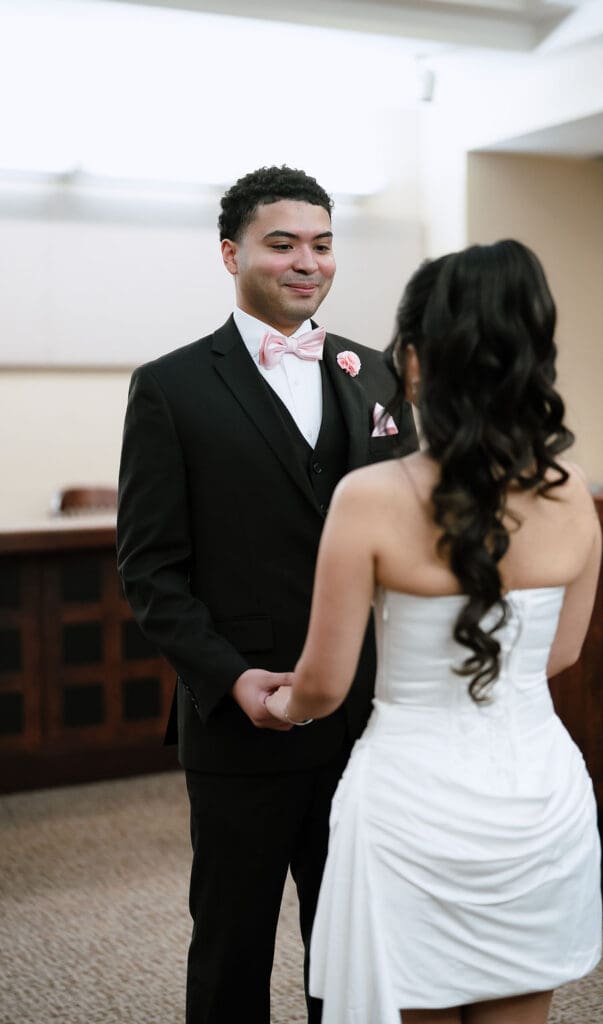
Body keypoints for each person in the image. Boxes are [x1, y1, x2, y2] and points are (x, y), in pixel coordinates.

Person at [265, 240, 603, 1024]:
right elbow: (562, 653)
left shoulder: (370, 496)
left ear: (415, 363)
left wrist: (278, 706)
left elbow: (322, 684)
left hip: (411, 811)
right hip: (536, 802)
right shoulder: (572, 490)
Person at [116, 165, 417, 1024]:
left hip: (368, 716)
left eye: (321, 244)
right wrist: (230, 676)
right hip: (242, 718)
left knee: (354, 943)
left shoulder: (376, 372)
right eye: (281, 243)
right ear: (230, 253)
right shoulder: (170, 387)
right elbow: (149, 568)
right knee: (231, 944)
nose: (306, 262)